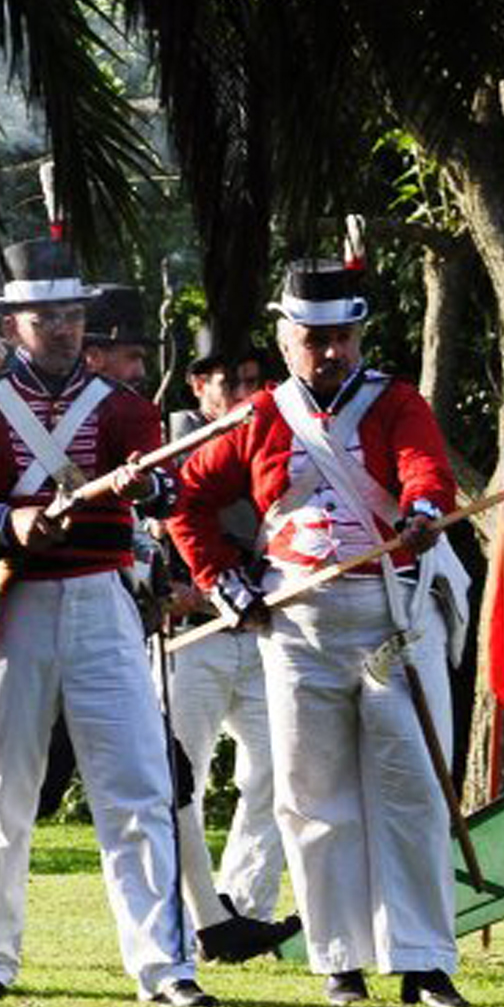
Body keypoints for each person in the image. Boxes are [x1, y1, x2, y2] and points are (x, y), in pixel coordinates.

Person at [0, 237, 213, 1007]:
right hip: (16, 604)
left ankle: (163, 966)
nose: (65, 328)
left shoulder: (125, 410)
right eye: (47, 316)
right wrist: (12, 527)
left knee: (137, 788)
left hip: (102, 600)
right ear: (14, 325)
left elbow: (166, 495)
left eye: (74, 315)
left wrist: (148, 489)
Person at [167, 258, 475, 1007]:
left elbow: (422, 468)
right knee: (312, 795)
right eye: (314, 339)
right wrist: (222, 583)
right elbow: (185, 501)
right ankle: (339, 960)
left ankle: (424, 962)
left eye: (342, 337)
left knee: (411, 790)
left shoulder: (396, 402)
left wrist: (424, 509)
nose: (330, 351)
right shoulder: (261, 418)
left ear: (359, 334)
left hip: (392, 614)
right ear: (286, 339)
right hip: (299, 622)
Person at [157, 349, 296, 963]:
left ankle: (240, 907)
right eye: (228, 381)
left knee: (280, 770)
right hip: (194, 641)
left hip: (259, 631)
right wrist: (172, 591)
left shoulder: (275, 437)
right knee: (177, 778)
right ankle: (187, 917)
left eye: (250, 380)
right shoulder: (168, 447)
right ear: (198, 386)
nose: (242, 391)